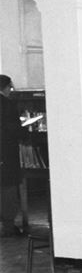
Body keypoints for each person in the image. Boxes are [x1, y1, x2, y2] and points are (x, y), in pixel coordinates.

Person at [0, 74, 25, 236]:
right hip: (5, 152)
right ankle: (8, 226)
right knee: (8, 189)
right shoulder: (7, 104)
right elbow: (11, 128)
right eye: (10, 87)